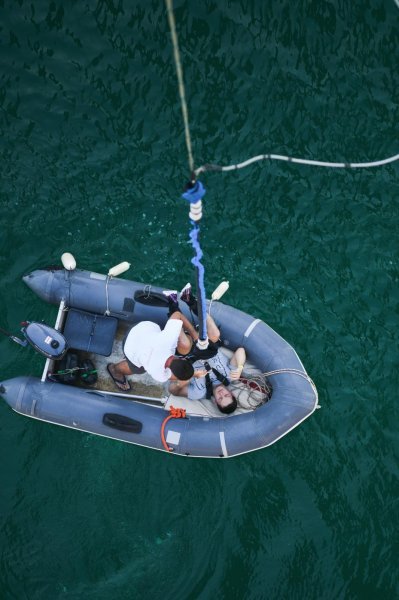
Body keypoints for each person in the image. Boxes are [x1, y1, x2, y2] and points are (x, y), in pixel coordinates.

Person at [169, 284, 246, 414]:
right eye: (226, 396)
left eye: (220, 398)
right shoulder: (230, 376)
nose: (222, 394)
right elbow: (241, 351)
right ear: (231, 394)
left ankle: (172, 305)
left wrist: (184, 380)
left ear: (215, 401)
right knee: (215, 334)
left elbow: (173, 391)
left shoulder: (199, 393)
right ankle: (190, 300)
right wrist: (240, 367)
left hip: (189, 356)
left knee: (185, 344)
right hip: (208, 348)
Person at [107, 293, 200, 390]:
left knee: (180, 339)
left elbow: (177, 314)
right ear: (171, 371)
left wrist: (194, 335)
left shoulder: (168, 339)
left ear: (183, 359)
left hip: (138, 329)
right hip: (129, 347)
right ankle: (114, 369)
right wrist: (193, 375)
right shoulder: (159, 375)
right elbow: (169, 377)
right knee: (139, 369)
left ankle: (173, 302)